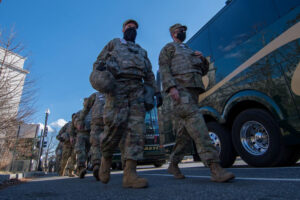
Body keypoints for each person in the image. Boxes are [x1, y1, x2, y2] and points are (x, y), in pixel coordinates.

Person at [159, 23, 235, 183]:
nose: (183, 33)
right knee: (199, 124)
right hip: (180, 92)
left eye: (185, 31)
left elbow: (204, 70)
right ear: (173, 33)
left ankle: (173, 163)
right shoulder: (169, 48)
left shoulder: (190, 50)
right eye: (181, 31)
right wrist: (171, 87)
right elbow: (164, 68)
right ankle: (215, 168)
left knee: (185, 133)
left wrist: (202, 60)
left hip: (194, 93)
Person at [92, 19, 158, 188]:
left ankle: (130, 174)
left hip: (137, 89)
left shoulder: (142, 51)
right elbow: (98, 64)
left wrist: (156, 92)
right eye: (129, 27)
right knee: (114, 126)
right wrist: (100, 79)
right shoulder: (114, 44)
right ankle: (105, 158)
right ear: (123, 29)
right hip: (117, 88)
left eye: (135, 28)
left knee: (137, 130)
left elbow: (149, 74)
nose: (132, 29)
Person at [78, 92, 105, 181]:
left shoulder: (97, 95)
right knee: (98, 144)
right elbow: (85, 108)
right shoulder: (97, 95)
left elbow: (85, 108)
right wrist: (81, 120)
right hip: (102, 121)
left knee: (96, 145)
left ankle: (98, 165)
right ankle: (97, 166)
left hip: (101, 121)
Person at [70, 110, 91, 179]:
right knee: (80, 151)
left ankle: (96, 166)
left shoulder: (93, 111)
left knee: (86, 152)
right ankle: (81, 168)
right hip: (81, 135)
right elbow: (72, 127)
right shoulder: (78, 113)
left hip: (91, 134)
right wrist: (72, 136)